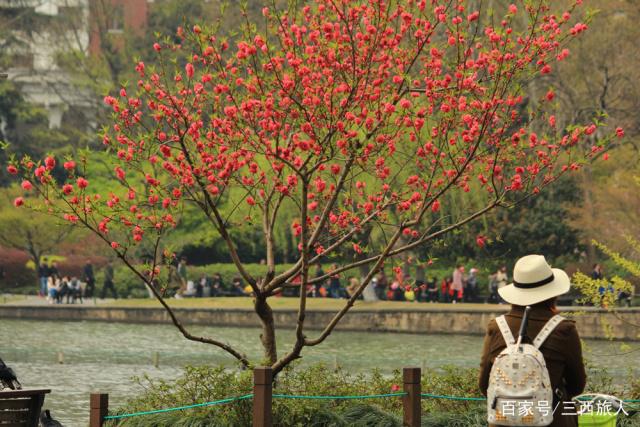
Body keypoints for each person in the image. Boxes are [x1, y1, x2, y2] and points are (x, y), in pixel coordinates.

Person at [479, 255, 586, 427]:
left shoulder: (496, 327)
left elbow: (484, 385)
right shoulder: (564, 330)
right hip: (552, 420)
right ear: (552, 293)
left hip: (503, 422)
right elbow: (577, 385)